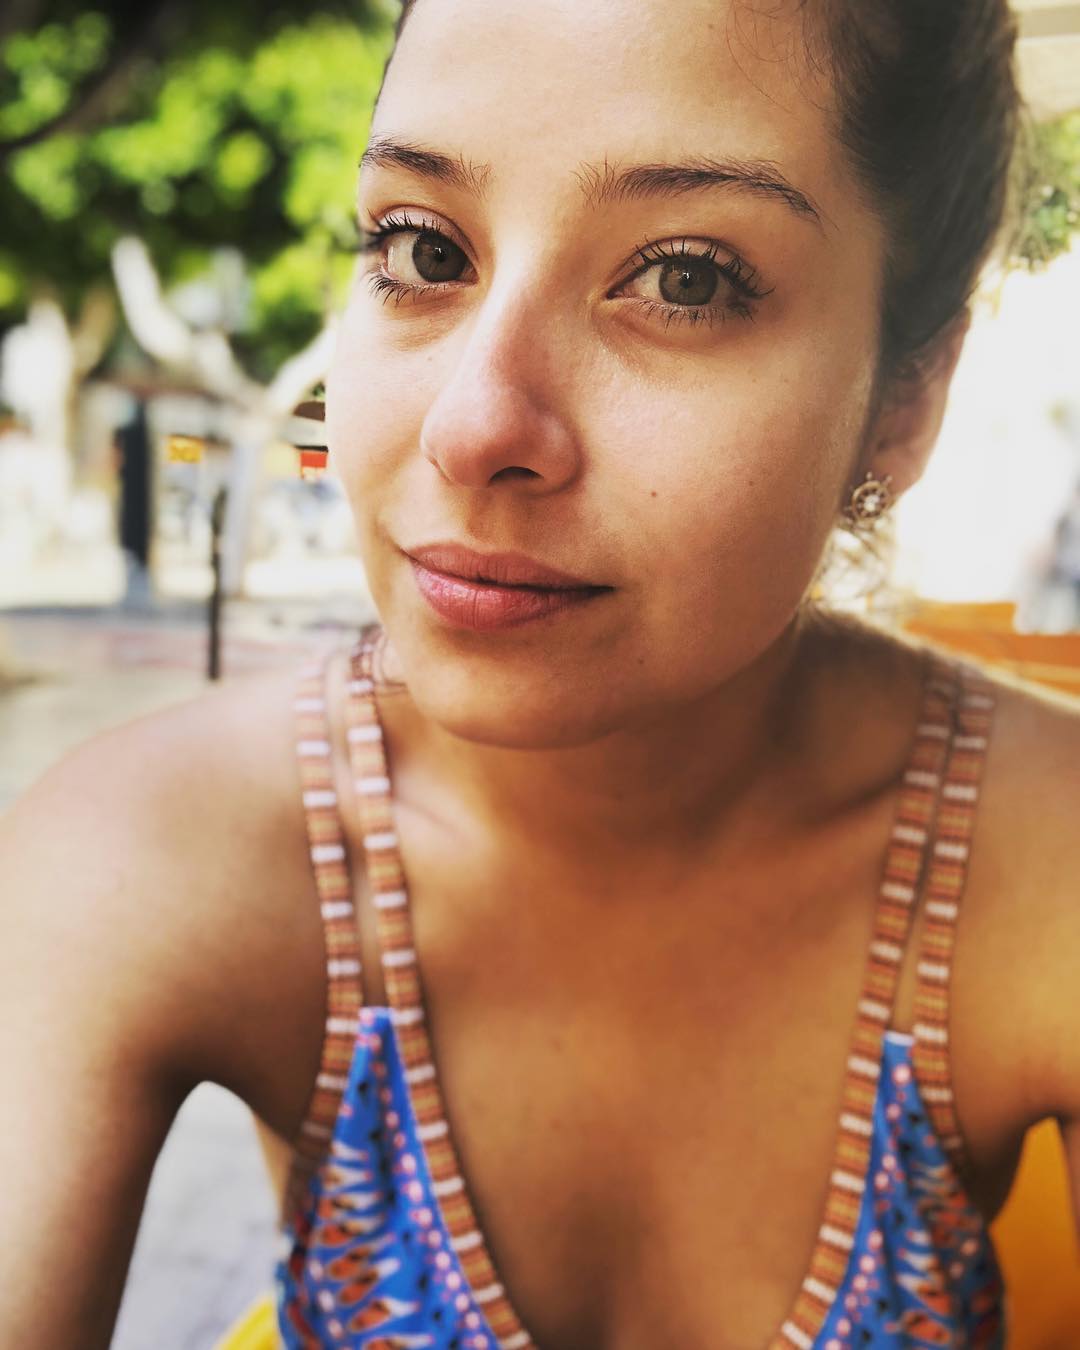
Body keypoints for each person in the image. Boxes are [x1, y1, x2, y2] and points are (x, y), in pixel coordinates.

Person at [3, 1, 1078, 1347]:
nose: (472, 426)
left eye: (685, 279)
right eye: (422, 248)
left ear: (905, 396)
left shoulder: (1042, 866)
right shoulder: (150, 851)